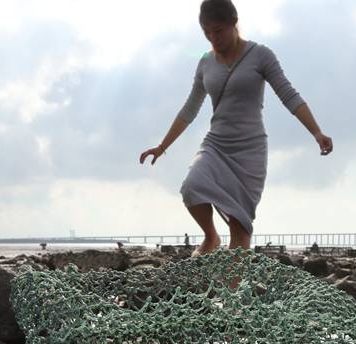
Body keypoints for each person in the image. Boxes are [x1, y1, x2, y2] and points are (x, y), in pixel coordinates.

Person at [139, 0, 333, 256]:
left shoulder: (261, 55)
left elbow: (289, 95)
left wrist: (316, 132)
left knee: (240, 228)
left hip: (250, 149)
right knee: (191, 186)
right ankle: (211, 237)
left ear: (233, 22)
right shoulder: (205, 63)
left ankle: (231, 295)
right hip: (216, 144)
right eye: (207, 33)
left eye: (218, 30)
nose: (213, 38)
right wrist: (162, 146)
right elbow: (189, 109)